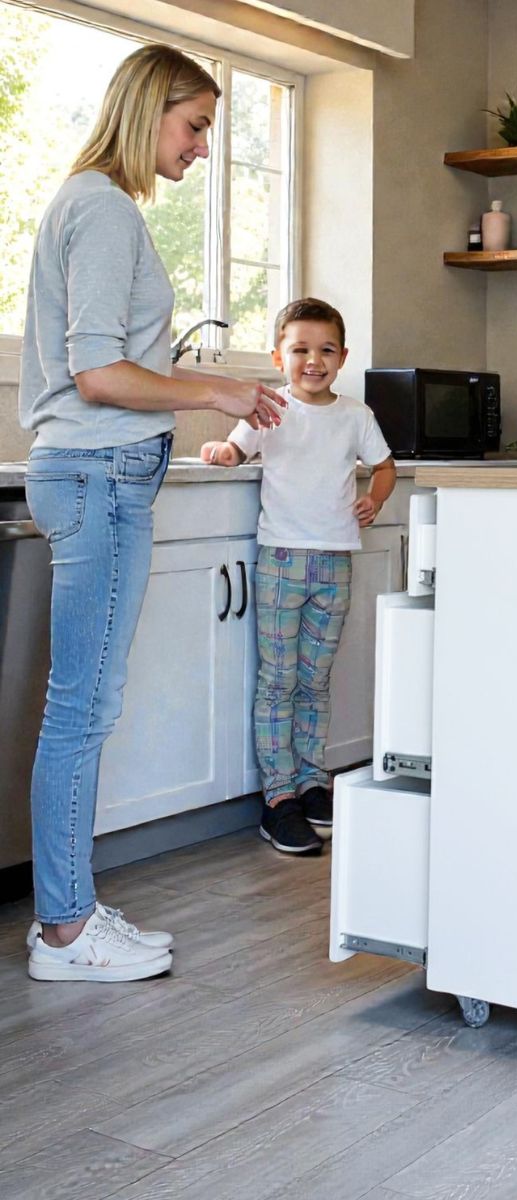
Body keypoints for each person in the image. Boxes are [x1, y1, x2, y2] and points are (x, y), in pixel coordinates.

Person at [19, 44, 285, 983]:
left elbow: (104, 360)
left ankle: (69, 911)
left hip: (100, 474)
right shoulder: (101, 207)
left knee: (84, 703)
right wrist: (212, 390)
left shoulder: (94, 204)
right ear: (147, 109)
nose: (203, 147)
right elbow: (98, 373)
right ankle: (65, 932)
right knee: (82, 707)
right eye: (196, 125)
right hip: (98, 474)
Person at [201, 298, 395, 855]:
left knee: (315, 681)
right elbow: (236, 449)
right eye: (300, 349)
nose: (314, 360)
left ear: (343, 357)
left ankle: (313, 783)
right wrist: (221, 451)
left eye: (326, 350)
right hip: (282, 561)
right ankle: (279, 798)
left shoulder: (355, 415)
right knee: (278, 682)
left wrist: (376, 498)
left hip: (335, 563)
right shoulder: (269, 409)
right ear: (278, 357)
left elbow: (384, 467)